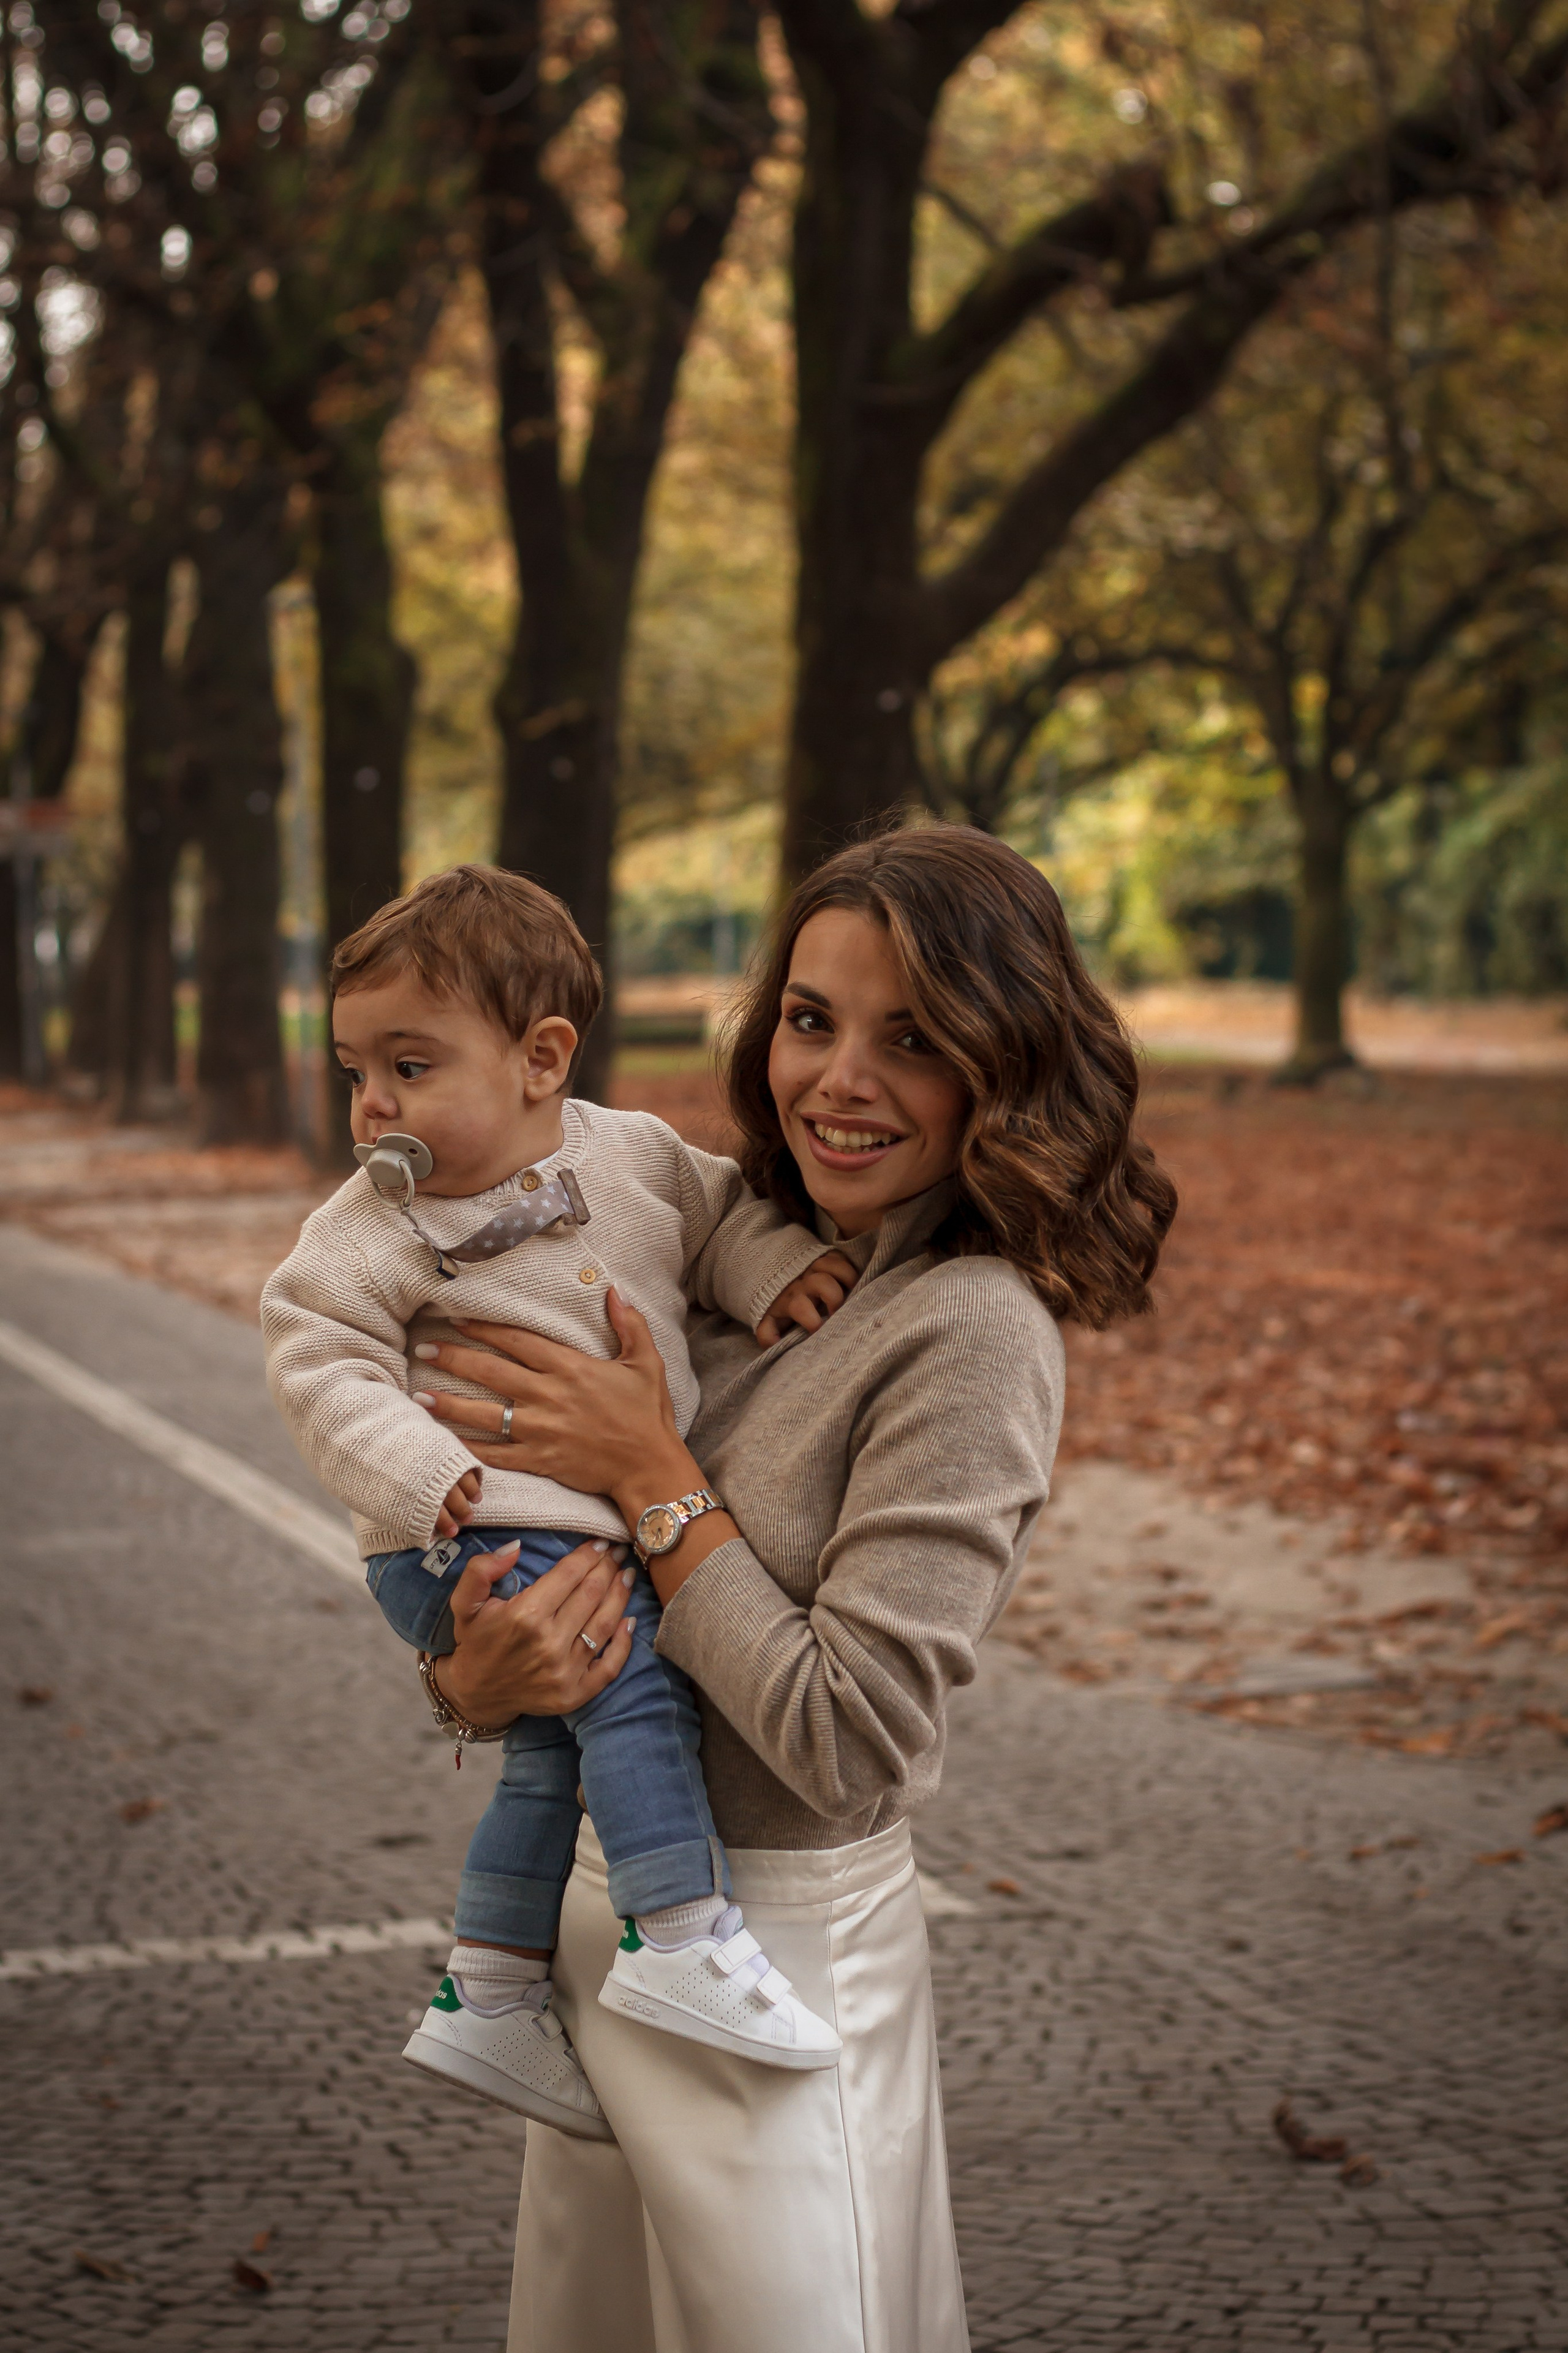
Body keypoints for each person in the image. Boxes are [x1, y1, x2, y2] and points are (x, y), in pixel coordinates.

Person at [409, 825, 1178, 2353]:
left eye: (912, 1038)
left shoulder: (970, 1331)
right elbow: (570, 1599)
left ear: (1001, 1063)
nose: (837, 1078)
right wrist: (468, 1684)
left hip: (772, 1965)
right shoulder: (738, 1270)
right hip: (597, 1932)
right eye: (811, 1022)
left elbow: (848, 1737)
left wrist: (653, 1475)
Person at [261, 866, 856, 2143]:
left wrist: (777, 1277)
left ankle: (488, 1987)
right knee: (632, 1688)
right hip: (462, 1526)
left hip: (556, 1519)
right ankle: (684, 1931)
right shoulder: (371, 1225)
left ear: (541, 1058)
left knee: (546, 1754)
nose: (373, 1107)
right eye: (355, 1070)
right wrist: (423, 1472)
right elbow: (315, 1361)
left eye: (409, 1067)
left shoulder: (631, 1152)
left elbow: (721, 1218)